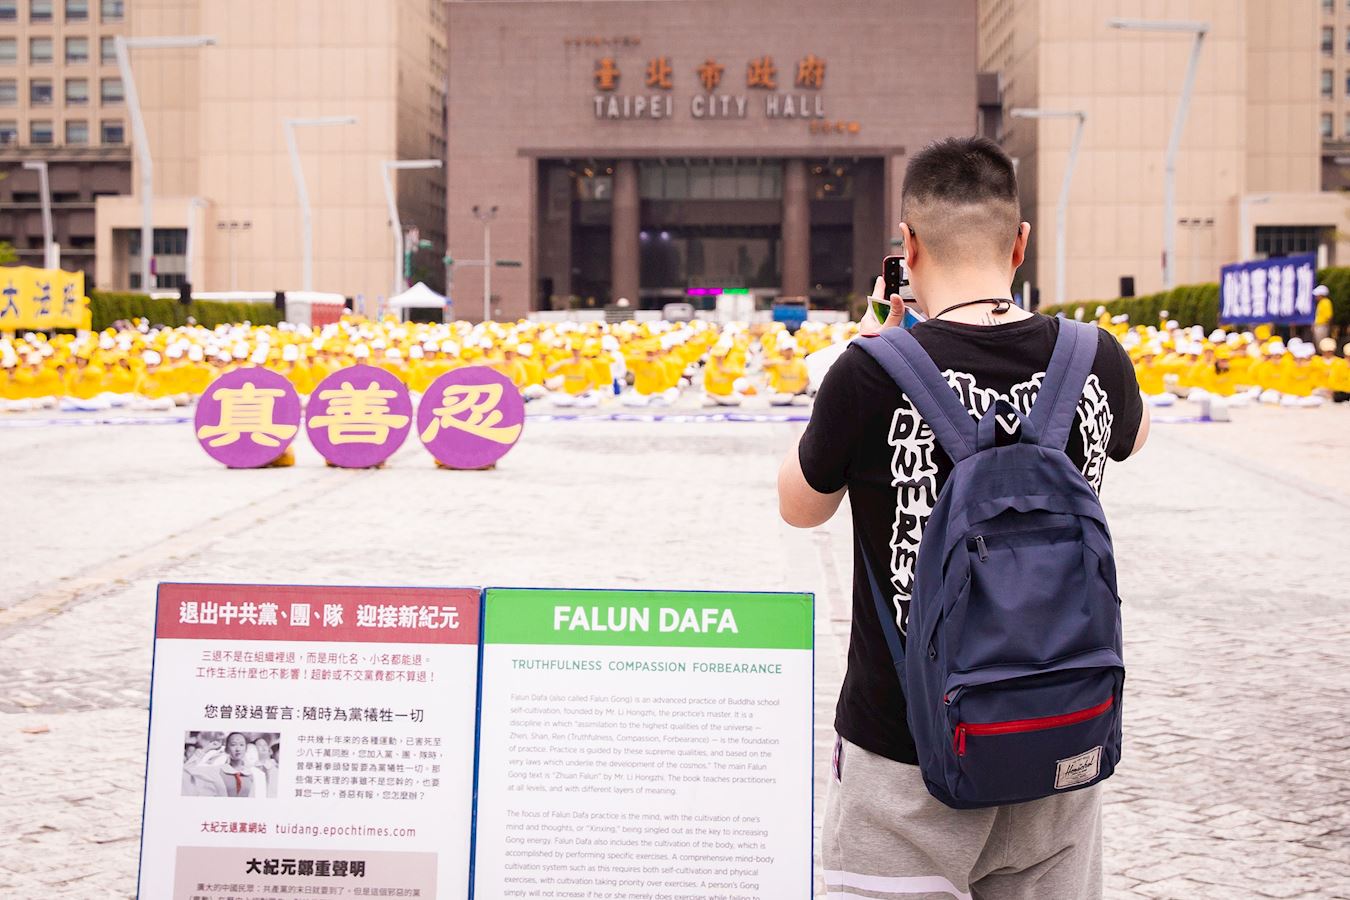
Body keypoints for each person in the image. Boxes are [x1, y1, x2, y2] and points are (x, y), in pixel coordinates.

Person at [777, 137, 1148, 900]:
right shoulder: (1095, 356)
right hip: (1056, 739)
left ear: (907, 247)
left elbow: (799, 506)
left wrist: (858, 353)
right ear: (1020, 243)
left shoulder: (867, 373)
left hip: (903, 756)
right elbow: (1134, 436)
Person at [218, 731, 257, 798]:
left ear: (246, 749)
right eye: (233, 745)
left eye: (241, 745)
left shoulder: (252, 774)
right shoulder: (219, 772)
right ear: (226, 749)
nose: (238, 749)